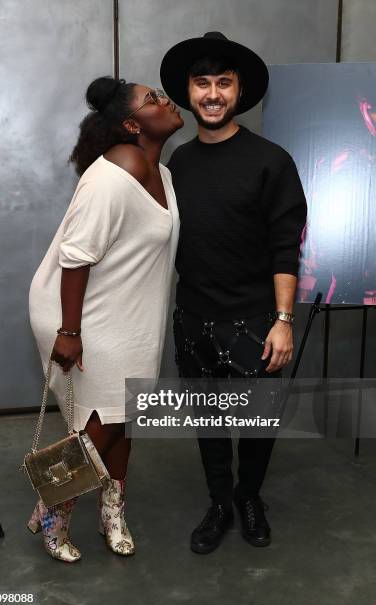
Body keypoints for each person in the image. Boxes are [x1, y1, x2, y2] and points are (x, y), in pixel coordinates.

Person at [161, 32, 307, 553]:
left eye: (224, 82)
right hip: (195, 318)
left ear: (239, 91)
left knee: (259, 421)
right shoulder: (176, 165)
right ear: (189, 91)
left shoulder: (271, 161)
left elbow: (286, 247)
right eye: (203, 83)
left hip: (257, 320)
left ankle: (250, 497)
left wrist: (283, 320)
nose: (213, 93)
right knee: (210, 421)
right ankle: (220, 501)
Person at [28, 76, 183, 562]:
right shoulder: (117, 168)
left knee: (125, 417)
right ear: (132, 124)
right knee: (102, 425)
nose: (166, 98)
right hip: (83, 314)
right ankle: (52, 511)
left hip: (127, 311)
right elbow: (75, 256)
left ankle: (112, 512)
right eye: (152, 98)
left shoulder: (162, 171)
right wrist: (70, 332)